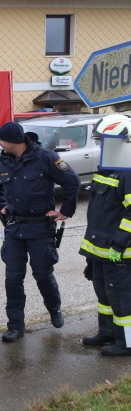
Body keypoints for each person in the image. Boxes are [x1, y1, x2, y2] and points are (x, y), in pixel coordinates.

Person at [0, 121, 80, 343]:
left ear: (13, 141)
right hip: (14, 229)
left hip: (40, 228)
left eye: (1, 140)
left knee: (42, 275)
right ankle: (15, 326)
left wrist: (65, 211)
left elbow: (72, 182)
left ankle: (55, 310)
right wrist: (0, 205)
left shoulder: (44, 157)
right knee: (13, 279)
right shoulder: (3, 160)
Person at [80, 114, 131, 356]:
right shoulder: (109, 169)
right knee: (104, 295)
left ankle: (128, 343)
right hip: (100, 249)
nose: (101, 147)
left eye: (105, 142)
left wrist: (120, 244)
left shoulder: (128, 172)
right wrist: (91, 254)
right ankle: (107, 333)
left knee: (122, 299)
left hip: (119, 252)